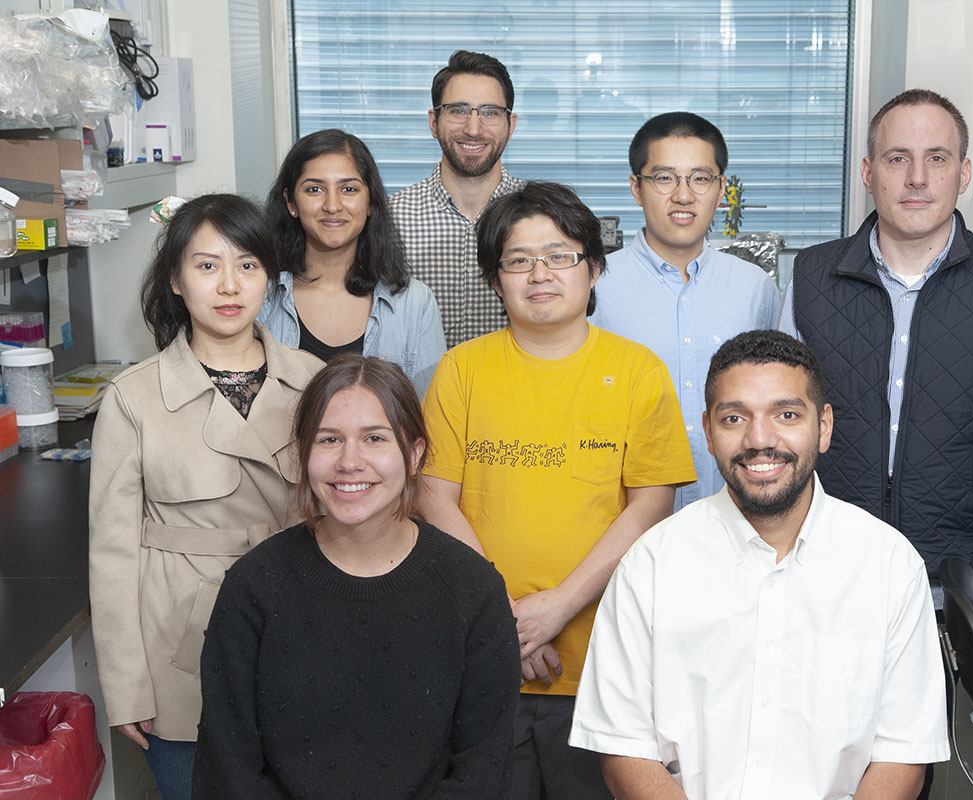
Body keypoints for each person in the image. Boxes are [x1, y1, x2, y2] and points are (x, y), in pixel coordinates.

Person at [570, 330, 949, 800]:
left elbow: (904, 754)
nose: (759, 439)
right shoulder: (650, 564)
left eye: (786, 415)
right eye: (734, 418)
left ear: (824, 427)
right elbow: (622, 750)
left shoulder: (889, 565)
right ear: (709, 432)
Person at [417, 181, 697, 800]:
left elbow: (652, 505)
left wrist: (559, 606)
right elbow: (433, 497)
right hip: (482, 660)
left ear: (593, 269)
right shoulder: (461, 370)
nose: (539, 274)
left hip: (603, 666)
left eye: (559, 256)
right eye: (518, 260)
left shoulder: (637, 371)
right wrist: (503, 619)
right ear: (496, 282)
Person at [778, 88, 973, 614]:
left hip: (961, 583)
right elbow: (779, 432)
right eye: (898, 159)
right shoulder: (810, 278)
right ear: (868, 173)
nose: (917, 178)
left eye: (937, 159)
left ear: (963, 174)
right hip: (824, 575)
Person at [192, 355, 520, 799]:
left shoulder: (474, 590)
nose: (350, 462)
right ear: (304, 452)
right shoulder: (253, 586)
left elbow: (483, 770)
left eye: (374, 438)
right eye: (329, 439)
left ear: (415, 454)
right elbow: (228, 769)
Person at [89, 194, 326, 799]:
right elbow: (112, 555)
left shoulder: (314, 382)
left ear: (269, 277)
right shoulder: (134, 397)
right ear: (175, 279)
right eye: (206, 265)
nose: (229, 285)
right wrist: (126, 687)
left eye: (247, 265)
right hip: (181, 649)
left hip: (303, 633)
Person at [591, 112, 780, 510]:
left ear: (721, 188)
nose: (683, 195)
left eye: (700, 178)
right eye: (664, 178)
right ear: (636, 188)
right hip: (623, 517)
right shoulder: (595, 286)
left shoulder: (755, 288)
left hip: (736, 514)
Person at [260, 128, 445, 396]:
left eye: (348, 189)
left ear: (370, 201)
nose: (332, 205)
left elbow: (429, 410)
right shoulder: (260, 296)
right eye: (314, 189)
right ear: (291, 202)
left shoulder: (415, 303)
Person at [388, 50, 526, 347]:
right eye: (458, 111)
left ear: (511, 125)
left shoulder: (538, 216)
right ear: (433, 122)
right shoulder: (391, 218)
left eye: (490, 112)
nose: (473, 129)